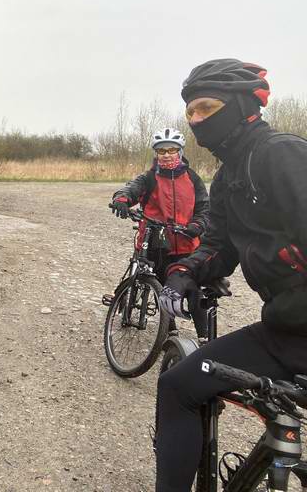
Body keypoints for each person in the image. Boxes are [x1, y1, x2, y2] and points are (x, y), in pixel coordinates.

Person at [154, 59, 307, 492]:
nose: (197, 120)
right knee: (177, 387)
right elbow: (218, 246)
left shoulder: (282, 154)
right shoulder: (226, 178)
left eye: (206, 107)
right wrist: (184, 271)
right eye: (190, 113)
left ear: (242, 105)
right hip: (283, 333)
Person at [110, 127, 210, 337]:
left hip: (186, 244)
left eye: (171, 150)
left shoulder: (193, 179)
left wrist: (197, 226)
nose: (166, 155)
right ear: (156, 153)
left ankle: (205, 340)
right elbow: (130, 189)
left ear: (180, 151)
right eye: (161, 150)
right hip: (156, 243)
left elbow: (204, 208)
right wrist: (121, 199)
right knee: (163, 288)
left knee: (194, 292)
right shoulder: (149, 178)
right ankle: (169, 331)